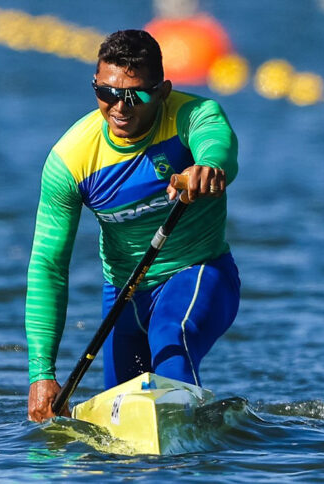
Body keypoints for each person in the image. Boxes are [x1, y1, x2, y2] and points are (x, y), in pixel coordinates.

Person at [26, 29, 240, 422]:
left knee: (170, 339)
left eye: (134, 95)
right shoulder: (71, 160)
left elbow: (218, 144)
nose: (119, 108)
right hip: (123, 296)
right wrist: (42, 375)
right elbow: (48, 266)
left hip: (198, 273)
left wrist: (206, 167)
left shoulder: (193, 115)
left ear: (162, 91)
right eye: (106, 93)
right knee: (119, 418)